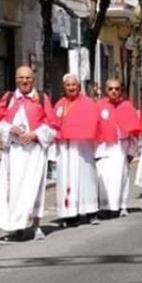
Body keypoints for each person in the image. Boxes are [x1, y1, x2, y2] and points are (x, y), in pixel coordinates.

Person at [0, 66, 57, 240]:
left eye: (27, 78)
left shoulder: (42, 98)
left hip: (34, 152)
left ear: (32, 79)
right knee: (14, 189)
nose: (24, 81)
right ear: (16, 79)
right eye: (21, 77)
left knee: (35, 188)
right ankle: (15, 226)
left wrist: (35, 134)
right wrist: (9, 129)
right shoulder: (9, 98)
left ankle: (36, 225)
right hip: (14, 152)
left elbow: (53, 126)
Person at [52, 73, 100, 227]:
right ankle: (70, 214)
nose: (71, 88)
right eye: (68, 85)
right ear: (64, 87)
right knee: (66, 181)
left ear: (78, 86)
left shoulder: (88, 103)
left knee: (85, 179)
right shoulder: (59, 104)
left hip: (82, 148)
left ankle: (91, 211)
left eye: (74, 85)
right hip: (65, 149)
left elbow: (95, 125)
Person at [94, 78, 141, 217]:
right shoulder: (99, 106)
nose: (114, 91)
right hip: (104, 148)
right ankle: (104, 207)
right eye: (110, 89)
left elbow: (134, 133)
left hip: (121, 147)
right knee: (103, 178)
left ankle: (121, 206)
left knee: (121, 177)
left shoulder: (127, 106)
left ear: (121, 90)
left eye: (117, 89)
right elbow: (94, 129)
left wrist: (132, 151)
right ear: (105, 90)